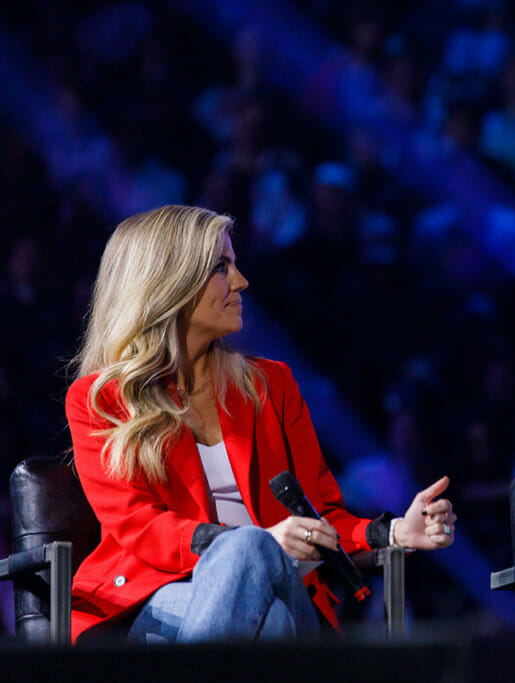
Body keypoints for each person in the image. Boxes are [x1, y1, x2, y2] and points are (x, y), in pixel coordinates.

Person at [66, 205, 457, 644]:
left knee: (258, 571)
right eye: (221, 267)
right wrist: (254, 543)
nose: (240, 281)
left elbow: (320, 516)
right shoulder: (101, 399)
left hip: (280, 590)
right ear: (168, 283)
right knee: (267, 609)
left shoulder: (271, 385)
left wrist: (396, 531)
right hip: (156, 598)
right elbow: (139, 526)